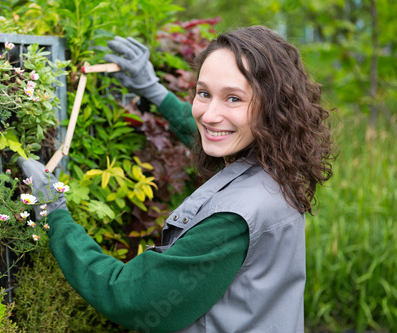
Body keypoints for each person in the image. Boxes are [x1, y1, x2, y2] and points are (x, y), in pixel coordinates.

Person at [18, 25, 335, 332]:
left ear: (274, 107)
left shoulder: (231, 220)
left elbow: (132, 297)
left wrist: (54, 211)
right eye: (203, 93)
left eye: (233, 98)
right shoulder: (275, 167)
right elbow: (214, 134)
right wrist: (153, 90)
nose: (209, 115)